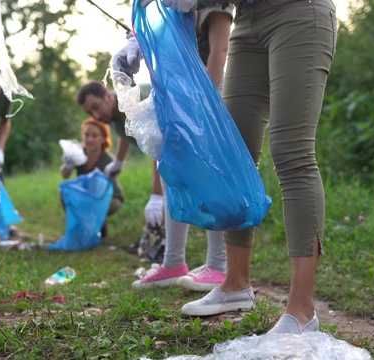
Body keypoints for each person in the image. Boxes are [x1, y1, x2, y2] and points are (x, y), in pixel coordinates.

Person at [116, 0, 337, 335]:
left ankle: (301, 311)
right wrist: (142, 38)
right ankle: (236, 283)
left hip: (299, 12)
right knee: (234, 153)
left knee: (291, 152)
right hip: (247, 21)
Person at [113, 3, 234, 293]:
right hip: (173, 98)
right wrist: (136, 41)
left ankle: (218, 265)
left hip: (204, 99)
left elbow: (220, 50)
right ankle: (173, 262)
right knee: (172, 175)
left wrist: (204, 104)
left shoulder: (211, 6)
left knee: (208, 178)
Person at [77, 81, 165, 249]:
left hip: (182, 137)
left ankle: (162, 245)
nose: (95, 116)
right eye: (90, 112)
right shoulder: (110, 112)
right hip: (164, 147)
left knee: (169, 194)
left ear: (109, 97)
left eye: (96, 107)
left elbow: (157, 145)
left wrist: (156, 195)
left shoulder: (133, 103)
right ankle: (155, 241)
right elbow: (123, 129)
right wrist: (119, 161)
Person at [60, 118, 124, 238]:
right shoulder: (78, 153)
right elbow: (65, 175)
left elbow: (106, 188)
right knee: (64, 193)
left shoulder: (108, 160)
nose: (89, 139)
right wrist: (68, 164)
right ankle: (81, 226)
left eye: (94, 136)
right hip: (87, 194)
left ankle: (98, 225)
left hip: (109, 197)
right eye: (86, 135)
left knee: (92, 199)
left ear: (103, 138)